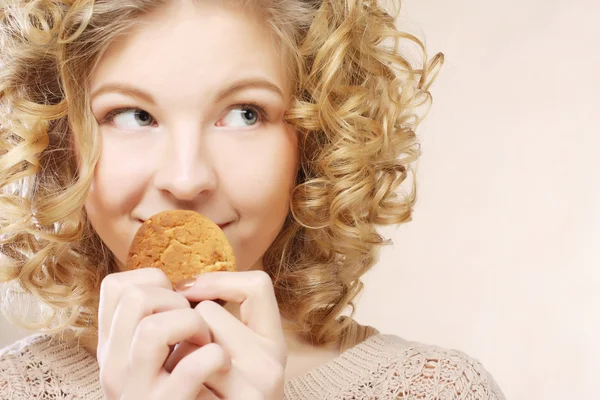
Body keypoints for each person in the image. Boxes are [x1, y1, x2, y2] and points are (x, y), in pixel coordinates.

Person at [0, 0, 505, 398]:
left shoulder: (434, 390)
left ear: (316, 143)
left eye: (244, 113)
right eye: (133, 115)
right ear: (60, 142)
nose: (186, 177)